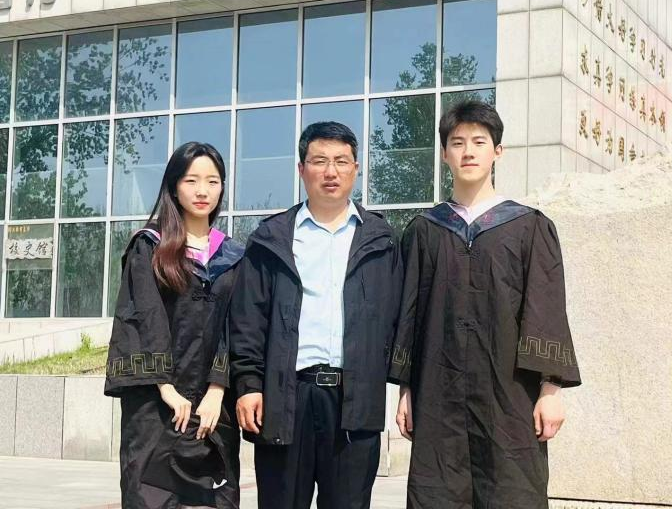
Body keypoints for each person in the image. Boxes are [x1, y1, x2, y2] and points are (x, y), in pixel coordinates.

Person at [389, 101, 582, 509]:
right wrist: (405, 389)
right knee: (438, 493)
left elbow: (546, 309)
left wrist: (550, 390)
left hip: (510, 397)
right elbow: (409, 314)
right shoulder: (425, 231)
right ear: (445, 154)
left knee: (511, 491)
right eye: (457, 143)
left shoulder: (528, 226)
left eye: (479, 142)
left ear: (498, 151)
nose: (468, 152)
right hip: (438, 397)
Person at [229, 122, 403, 509]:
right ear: (301, 169)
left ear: (356, 168)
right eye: (319, 160)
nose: (330, 171)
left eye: (341, 161)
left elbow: (398, 317)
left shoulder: (382, 240)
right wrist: (249, 384)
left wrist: (402, 384)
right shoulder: (271, 238)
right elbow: (248, 320)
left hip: (354, 402)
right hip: (286, 398)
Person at [104, 142, 244, 509]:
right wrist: (165, 386)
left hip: (214, 407)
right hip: (155, 406)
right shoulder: (150, 247)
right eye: (191, 180)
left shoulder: (234, 256)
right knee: (151, 496)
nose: (202, 191)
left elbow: (238, 325)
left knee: (215, 498)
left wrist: (217, 389)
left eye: (212, 181)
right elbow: (141, 316)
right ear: (174, 186)